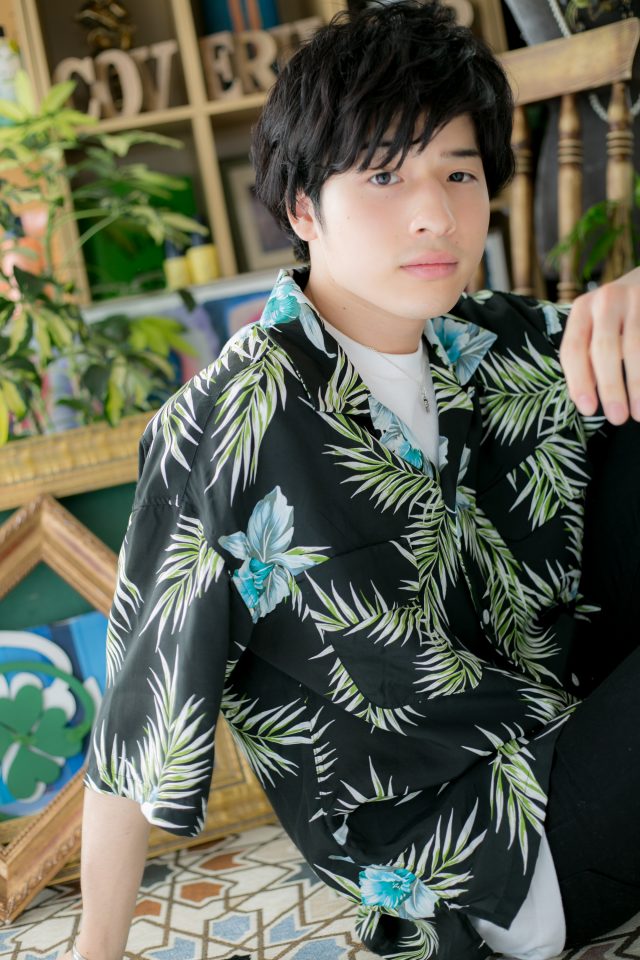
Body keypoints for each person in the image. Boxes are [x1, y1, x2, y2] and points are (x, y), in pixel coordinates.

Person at [64, 3, 640, 959]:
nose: (434, 212)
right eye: (383, 175)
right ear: (303, 209)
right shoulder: (231, 420)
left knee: (620, 370)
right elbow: (137, 722)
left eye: (458, 172)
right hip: (488, 857)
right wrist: (96, 948)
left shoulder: (497, 342)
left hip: (576, 730)